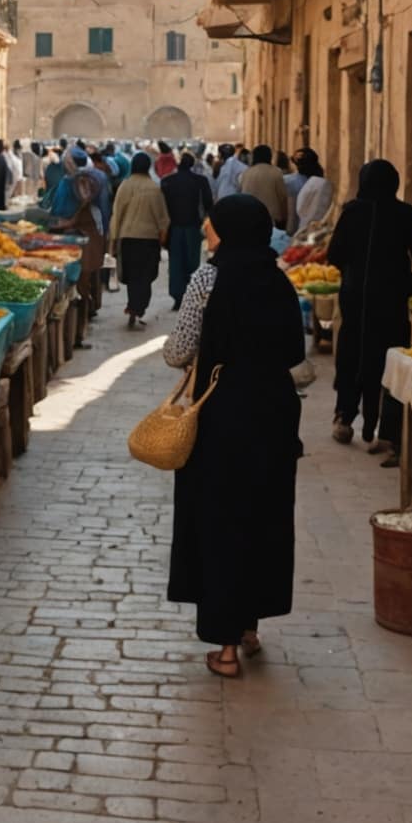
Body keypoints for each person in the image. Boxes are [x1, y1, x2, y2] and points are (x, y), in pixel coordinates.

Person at [163, 194, 301, 678]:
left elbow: (178, 351)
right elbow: (294, 351)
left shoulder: (207, 278)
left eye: (213, 224)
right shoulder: (278, 280)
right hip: (273, 415)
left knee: (220, 519)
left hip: (221, 416)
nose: (206, 230)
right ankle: (248, 627)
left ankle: (224, 649)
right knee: (263, 514)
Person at [328, 160, 412, 461]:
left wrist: (354, 272)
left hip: (355, 298)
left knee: (353, 353)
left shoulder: (351, 213)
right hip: (390, 299)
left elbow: (334, 254)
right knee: (390, 359)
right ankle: (386, 432)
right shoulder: (405, 214)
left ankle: (345, 418)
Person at [48, 147, 111, 320]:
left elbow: (79, 206)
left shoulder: (79, 180)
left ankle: (83, 313)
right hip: (96, 232)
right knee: (89, 275)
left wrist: (65, 222)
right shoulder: (95, 175)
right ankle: (91, 305)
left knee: (80, 277)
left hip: (84, 232)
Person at [109, 152, 168, 328]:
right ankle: (138, 307)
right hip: (148, 240)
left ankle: (133, 306)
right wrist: (163, 239)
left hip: (128, 238)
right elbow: (162, 219)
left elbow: (117, 214)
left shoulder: (124, 186)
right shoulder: (154, 188)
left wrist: (113, 240)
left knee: (133, 275)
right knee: (145, 276)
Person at [162, 150, 217, 311]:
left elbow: (162, 206)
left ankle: (178, 297)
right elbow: (208, 204)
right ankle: (191, 295)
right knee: (192, 262)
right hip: (193, 227)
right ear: (192, 165)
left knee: (176, 263)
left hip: (174, 228)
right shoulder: (200, 181)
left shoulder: (167, 181)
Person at [238, 144, 292, 229]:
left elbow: (241, 193)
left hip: (249, 216)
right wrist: (284, 218)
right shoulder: (276, 172)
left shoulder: (246, 173)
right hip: (270, 218)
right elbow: (282, 197)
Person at [291, 148, 334, 232]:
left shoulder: (313, 183)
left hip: (306, 227)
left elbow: (300, 208)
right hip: (320, 227)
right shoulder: (325, 183)